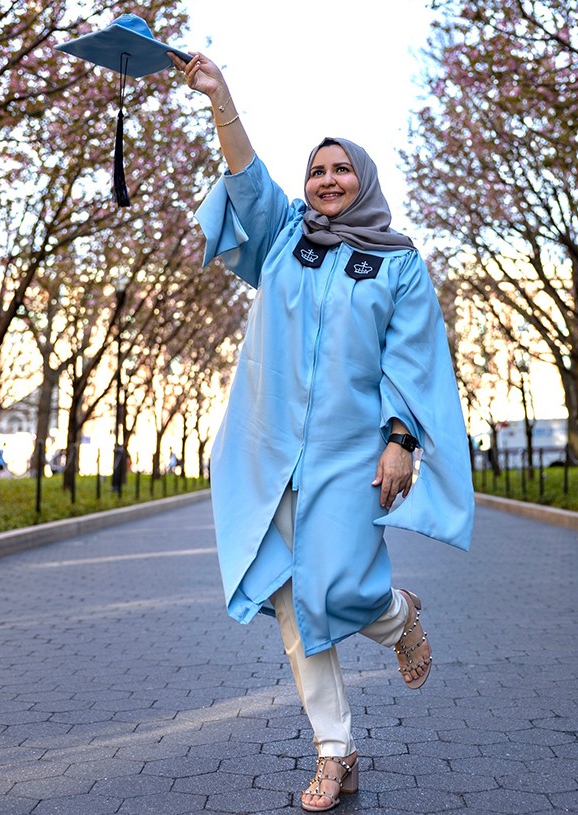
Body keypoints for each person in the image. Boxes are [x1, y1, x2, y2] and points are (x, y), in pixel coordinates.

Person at [170, 50, 474, 813]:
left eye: (342, 169)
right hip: (266, 446)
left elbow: (412, 357)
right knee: (288, 596)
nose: (328, 180)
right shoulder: (282, 239)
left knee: (334, 584)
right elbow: (245, 179)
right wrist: (220, 96)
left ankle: (397, 614)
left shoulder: (398, 264)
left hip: (347, 454)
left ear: (363, 180)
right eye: (318, 170)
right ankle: (334, 751)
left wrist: (401, 439)